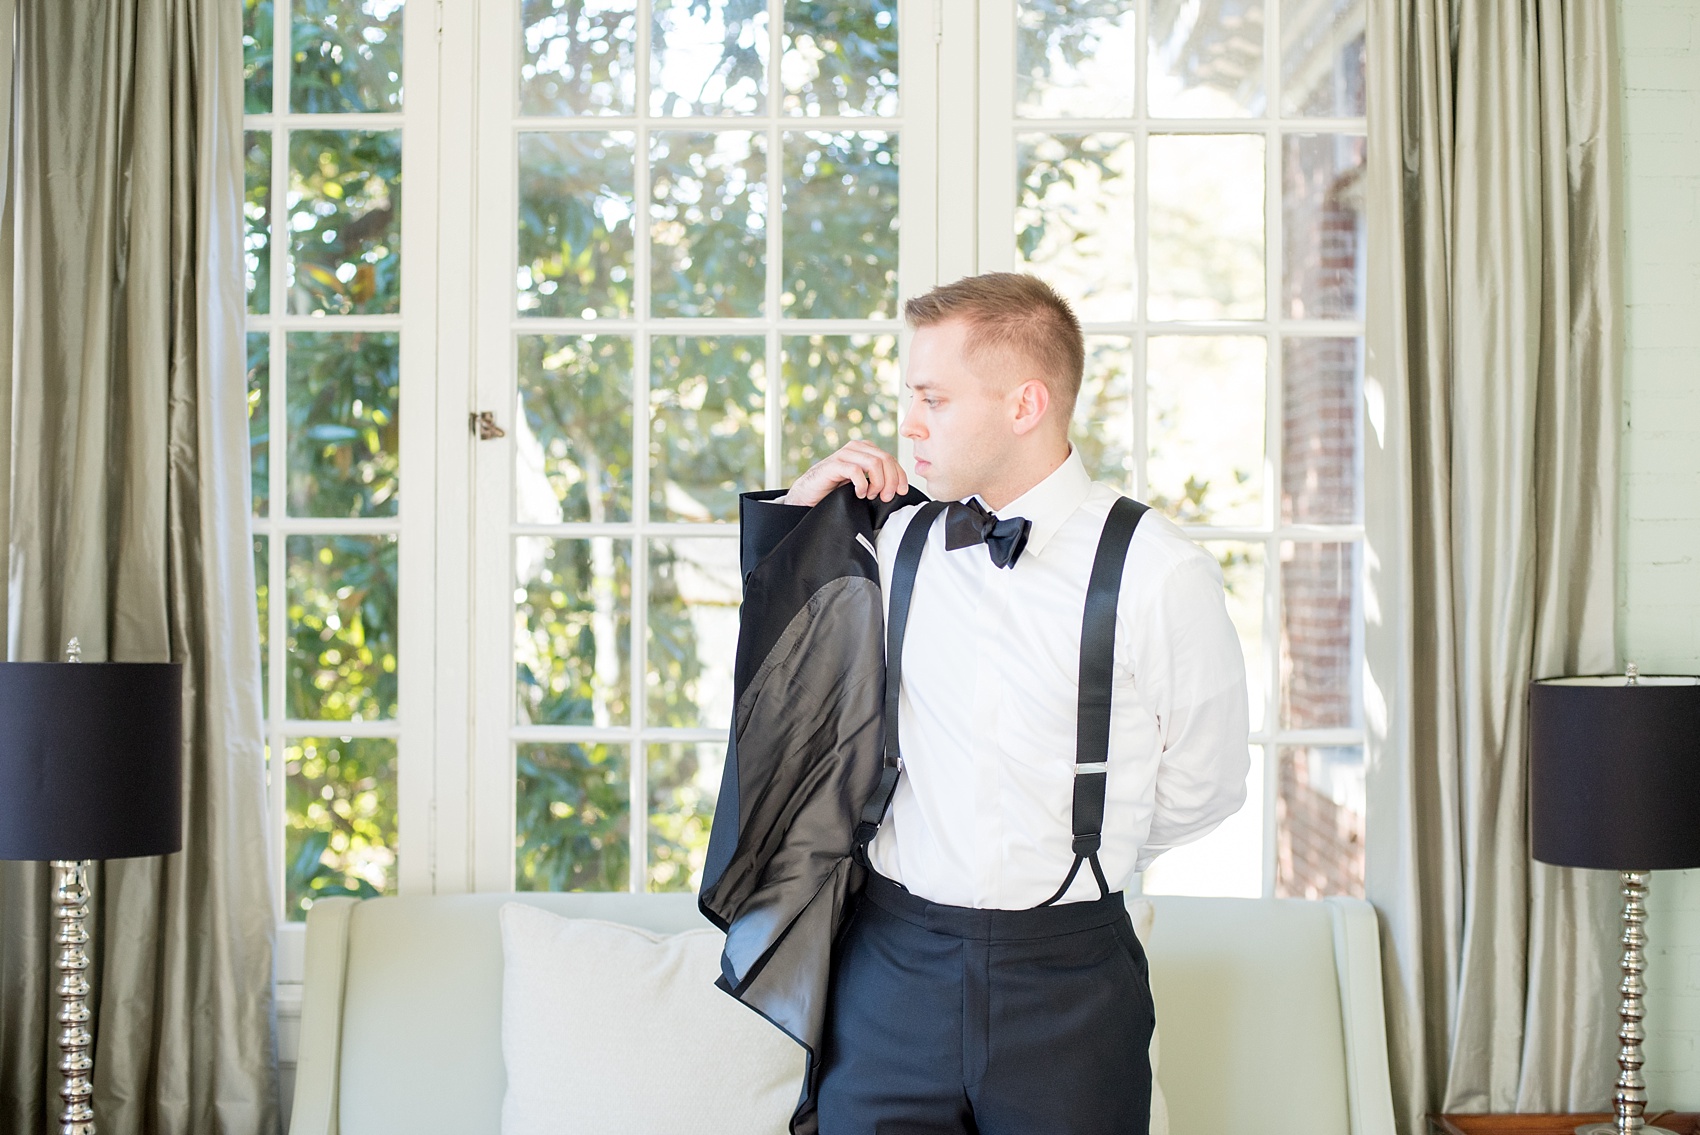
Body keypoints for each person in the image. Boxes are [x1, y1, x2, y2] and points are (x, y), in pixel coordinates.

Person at [775, 272, 1250, 1135]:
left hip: (1069, 984)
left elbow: (1207, 783)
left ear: (1026, 403)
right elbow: (784, 681)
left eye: (933, 398)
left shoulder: (1158, 570)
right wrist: (803, 508)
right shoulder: (893, 541)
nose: (909, 423)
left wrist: (1084, 847)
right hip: (892, 968)